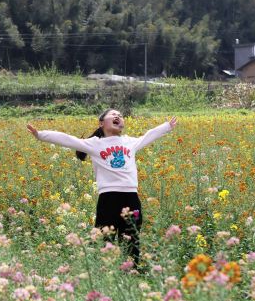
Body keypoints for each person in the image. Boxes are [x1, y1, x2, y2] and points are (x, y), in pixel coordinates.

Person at [27, 110, 177, 267]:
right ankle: (107, 273)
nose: (117, 116)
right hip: (108, 199)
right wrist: (40, 135)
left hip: (131, 197)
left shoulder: (130, 142)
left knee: (131, 238)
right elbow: (67, 139)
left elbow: (149, 135)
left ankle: (132, 274)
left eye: (119, 114)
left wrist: (166, 126)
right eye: (112, 114)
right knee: (105, 239)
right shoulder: (95, 144)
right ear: (101, 123)